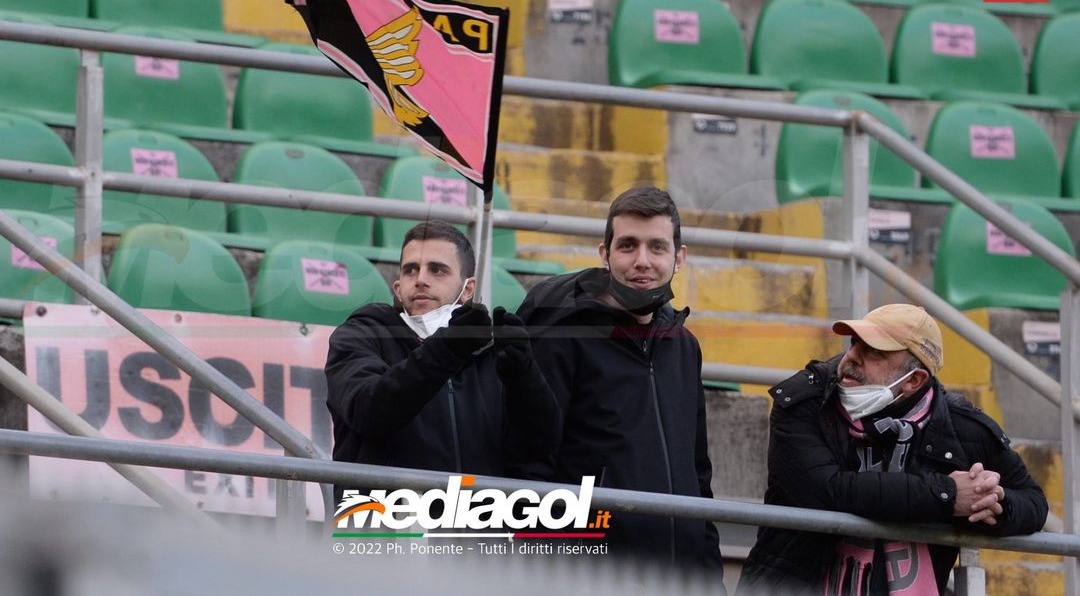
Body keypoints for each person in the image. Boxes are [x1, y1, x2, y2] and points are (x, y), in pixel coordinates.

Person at [739, 303, 1049, 595]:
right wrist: (948, 495)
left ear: (914, 380)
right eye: (854, 344)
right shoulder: (804, 402)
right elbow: (827, 491)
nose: (853, 357)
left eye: (874, 352)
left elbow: (1033, 502)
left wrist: (992, 505)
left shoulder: (960, 427)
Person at [516, 186, 724, 574]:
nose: (642, 261)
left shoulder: (684, 346)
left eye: (657, 247)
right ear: (605, 254)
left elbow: (698, 474)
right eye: (628, 245)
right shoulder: (564, 338)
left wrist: (708, 572)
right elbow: (533, 467)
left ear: (679, 258)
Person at [324, 220, 558, 493]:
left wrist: (524, 376)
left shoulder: (494, 355)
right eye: (411, 270)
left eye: (437, 270)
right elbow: (369, 412)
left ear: (468, 289)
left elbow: (538, 448)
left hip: (475, 530)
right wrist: (447, 349)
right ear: (398, 288)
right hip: (383, 529)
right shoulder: (361, 335)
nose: (421, 279)